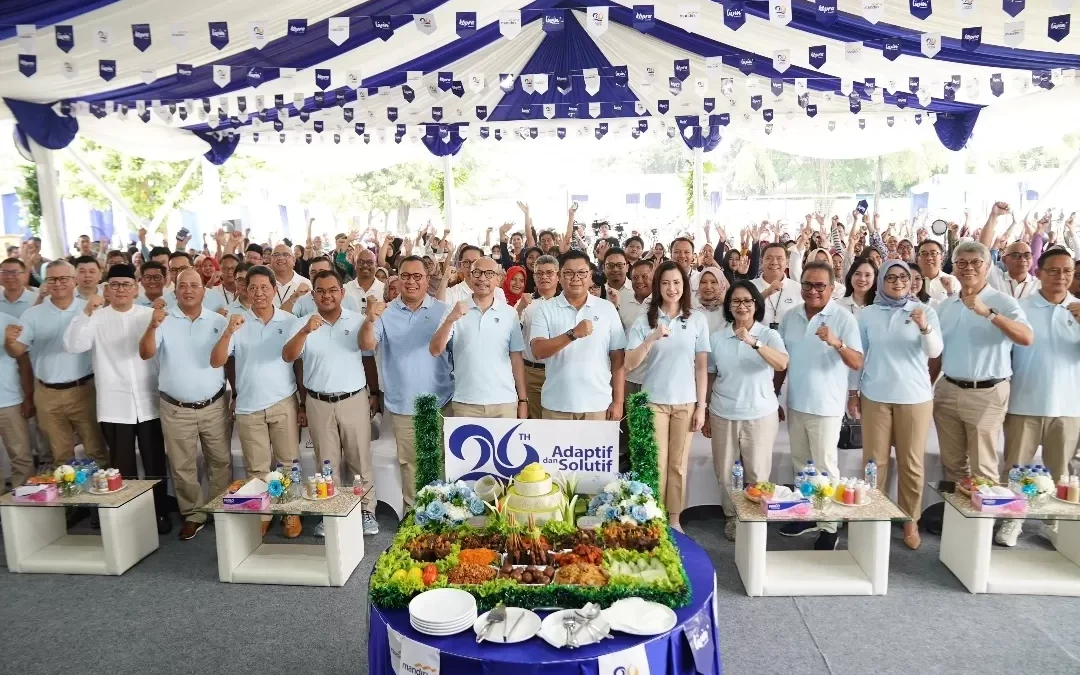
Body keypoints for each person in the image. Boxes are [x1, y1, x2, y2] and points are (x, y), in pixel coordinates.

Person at [63, 265, 172, 534]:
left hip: (150, 403)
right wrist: (86, 311)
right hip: (115, 406)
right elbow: (73, 345)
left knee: (155, 462)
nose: (120, 289)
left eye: (126, 284)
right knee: (122, 467)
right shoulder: (96, 318)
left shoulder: (150, 316)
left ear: (136, 288)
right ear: (106, 289)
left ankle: (159, 513)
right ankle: (130, 516)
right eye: (115, 285)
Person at [850, 260, 942, 549]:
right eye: (891, 277)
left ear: (912, 280)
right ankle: (873, 516)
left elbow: (935, 351)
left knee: (911, 463)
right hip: (876, 394)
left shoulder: (924, 311)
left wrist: (924, 327)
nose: (898, 281)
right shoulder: (867, 314)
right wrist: (853, 392)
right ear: (881, 281)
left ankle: (909, 519)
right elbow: (859, 356)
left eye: (903, 277)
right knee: (873, 462)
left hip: (914, 397)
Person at [282, 270, 380, 537]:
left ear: (342, 293)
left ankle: (366, 510)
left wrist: (375, 393)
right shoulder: (302, 323)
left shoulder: (358, 320)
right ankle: (333, 511)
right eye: (321, 291)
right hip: (318, 402)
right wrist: (304, 331)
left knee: (360, 458)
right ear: (313, 294)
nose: (327, 295)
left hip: (353, 399)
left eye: (332, 290)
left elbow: (368, 351)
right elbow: (288, 356)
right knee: (326, 463)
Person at [211, 264, 305, 538]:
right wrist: (228, 332)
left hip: (283, 401)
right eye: (253, 288)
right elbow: (216, 361)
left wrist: (301, 403)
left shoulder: (289, 322)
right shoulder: (236, 321)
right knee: (257, 468)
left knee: (289, 463)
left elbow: (298, 365)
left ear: (275, 290)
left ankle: (290, 513)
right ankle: (263, 513)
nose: (259, 293)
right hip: (249, 407)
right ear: (245, 290)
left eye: (265, 287)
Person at [138, 268, 232, 540]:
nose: (189, 290)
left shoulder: (217, 321)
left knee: (220, 462)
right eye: (183, 286)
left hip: (214, 405)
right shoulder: (162, 320)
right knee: (183, 466)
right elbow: (145, 353)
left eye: (195, 285)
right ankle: (192, 514)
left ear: (204, 291)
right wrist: (152, 325)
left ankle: (221, 511)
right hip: (176, 407)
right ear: (174, 290)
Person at [776, 261, 864, 550]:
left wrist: (836, 342)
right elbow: (782, 361)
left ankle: (829, 524)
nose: (813, 291)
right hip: (797, 401)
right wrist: (775, 394)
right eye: (807, 285)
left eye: (819, 286)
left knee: (826, 467)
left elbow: (856, 361)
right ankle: (806, 514)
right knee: (801, 465)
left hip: (826, 406)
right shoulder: (790, 316)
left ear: (832, 287)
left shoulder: (843, 319)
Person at [932, 241, 1032, 490]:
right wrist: (927, 387)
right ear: (953, 267)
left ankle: (981, 526)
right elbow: (937, 354)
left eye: (976, 262)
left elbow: (1026, 337)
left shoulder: (1004, 302)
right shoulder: (945, 307)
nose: (969, 268)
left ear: (988, 267)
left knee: (983, 468)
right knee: (952, 465)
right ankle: (957, 527)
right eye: (961, 263)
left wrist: (989, 313)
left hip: (987, 393)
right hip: (947, 391)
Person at [996, 248, 1079, 547]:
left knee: (1061, 472)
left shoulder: (1078, 308)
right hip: (1024, 402)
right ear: (1039, 273)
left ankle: (1051, 522)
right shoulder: (1020, 308)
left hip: (1069, 406)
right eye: (1054, 271)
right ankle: (1012, 520)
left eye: (1067, 271)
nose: (1061, 277)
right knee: (1016, 468)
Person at [359, 256, 453, 510]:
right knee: (411, 464)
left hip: (439, 401)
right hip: (404, 403)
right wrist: (369, 320)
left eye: (417, 276)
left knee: (440, 462)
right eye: (405, 276)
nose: (411, 282)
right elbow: (367, 345)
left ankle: (442, 517)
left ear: (427, 279)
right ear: (397, 278)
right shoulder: (384, 312)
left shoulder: (443, 311)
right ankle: (416, 519)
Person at [624, 261, 709, 531]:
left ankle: (674, 519)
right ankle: (654, 515)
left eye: (676, 283)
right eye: (665, 283)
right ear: (657, 287)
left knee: (678, 465)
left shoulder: (696, 319)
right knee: (656, 464)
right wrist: (651, 338)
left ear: (684, 287)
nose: (671, 288)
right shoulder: (645, 319)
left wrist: (701, 407)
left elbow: (702, 366)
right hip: (654, 402)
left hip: (685, 402)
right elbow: (629, 363)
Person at [703, 281, 788, 541]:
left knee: (758, 472)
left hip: (760, 414)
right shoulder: (717, 337)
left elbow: (782, 362)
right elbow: (710, 375)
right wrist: (705, 411)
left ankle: (755, 519)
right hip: (723, 412)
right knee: (725, 471)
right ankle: (732, 517)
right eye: (736, 302)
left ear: (756, 305)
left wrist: (753, 342)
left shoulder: (768, 335)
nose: (742, 306)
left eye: (747, 301)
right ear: (729, 306)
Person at [6, 261, 107, 467]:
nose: (58, 283)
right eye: (52, 279)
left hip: (85, 390)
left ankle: (103, 498)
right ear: (45, 283)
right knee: (60, 456)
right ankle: (69, 498)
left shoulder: (90, 309)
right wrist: (9, 341)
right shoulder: (32, 314)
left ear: (73, 281)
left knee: (96, 451)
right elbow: (18, 351)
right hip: (47, 394)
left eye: (63, 278)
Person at [530, 250, 626, 421]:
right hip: (557, 405)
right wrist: (572, 334)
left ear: (590, 276)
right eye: (569, 273)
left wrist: (618, 402)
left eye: (582, 273)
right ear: (559, 276)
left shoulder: (606, 308)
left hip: (597, 405)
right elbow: (538, 351)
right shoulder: (545, 308)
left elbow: (618, 358)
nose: (576, 278)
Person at [430, 257, 527, 419]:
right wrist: (450, 320)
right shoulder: (455, 310)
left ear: (498, 279)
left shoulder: (510, 314)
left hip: (504, 403)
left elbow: (516, 358)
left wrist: (523, 400)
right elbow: (434, 350)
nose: (482, 278)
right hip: (466, 403)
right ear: (469, 276)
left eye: (489, 274)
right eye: (477, 273)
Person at [517, 255, 560, 420]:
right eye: (539, 273)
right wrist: (520, 308)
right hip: (532, 371)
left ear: (558, 276)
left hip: (559, 369)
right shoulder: (526, 303)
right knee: (536, 422)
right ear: (534, 277)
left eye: (549, 273)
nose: (544, 277)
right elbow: (511, 332)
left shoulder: (568, 303)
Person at [979, 202, 1041, 301]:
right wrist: (994, 215)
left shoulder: (1039, 286)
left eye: (1027, 255)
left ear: (1032, 259)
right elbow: (981, 250)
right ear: (1004, 259)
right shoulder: (995, 277)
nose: (1023, 259)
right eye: (1016, 255)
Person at [0, 310, 34, 490]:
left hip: (10, 401)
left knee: (21, 456)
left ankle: (23, 505)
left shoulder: (10, 322)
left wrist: (28, 397)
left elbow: (24, 363)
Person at [753, 244, 801, 329]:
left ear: (787, 263)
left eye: (779, 258)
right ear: (761, 262)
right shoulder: (749, 287)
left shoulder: (798, 289)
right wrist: (766, 293)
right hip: (756, 340)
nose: (774, 262)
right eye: (769, 258)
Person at [290, 257, 360, 317]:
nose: (318, 275)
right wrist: (294, 297)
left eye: (322, 272)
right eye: (313, 272)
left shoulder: (349, 300)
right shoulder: (302, 300)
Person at [441, 245, 508, 305]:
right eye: (466, 262)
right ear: (460, 266)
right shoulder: (451, 294)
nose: (471, 267)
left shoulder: (497, 292)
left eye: (476, 262)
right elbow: (438, 316)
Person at [343, 248, 384, 314]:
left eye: (370, 262)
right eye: (361, 262)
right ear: (355, 265)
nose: (365, 265)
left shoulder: (384, 290)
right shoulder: (345, 289)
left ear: (376, 265)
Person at [694, 266, 729, 334]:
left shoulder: (729, 309)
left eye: (713, 282)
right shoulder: (692, 306)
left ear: (721, 285)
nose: (708, 287)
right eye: (704, 282)